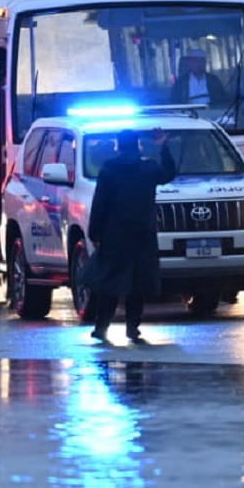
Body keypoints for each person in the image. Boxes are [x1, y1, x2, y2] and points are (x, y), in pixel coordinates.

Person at [83, 129, 178, 344]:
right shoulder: (148, 168)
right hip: (143, 232)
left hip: (114, 233)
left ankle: (102, 326)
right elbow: (169, 174)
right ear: (139, 146)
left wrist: (95, 231)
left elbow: (100, 203)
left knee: (110, 280)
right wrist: (164, 146)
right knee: (138, 282)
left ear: (118, 145)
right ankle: (132, 327)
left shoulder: (109, 169)